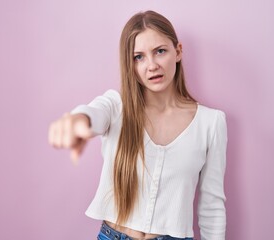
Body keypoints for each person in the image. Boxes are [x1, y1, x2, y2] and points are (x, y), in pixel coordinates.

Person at [48, 10, 227, 240]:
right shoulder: (117, 107)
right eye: (138, 57)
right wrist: (77, 121)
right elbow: (92, 114)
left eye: (160, 51)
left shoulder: (211, 123)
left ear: (178, 51)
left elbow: (212, 207)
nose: (151, 65)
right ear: (129, 64)